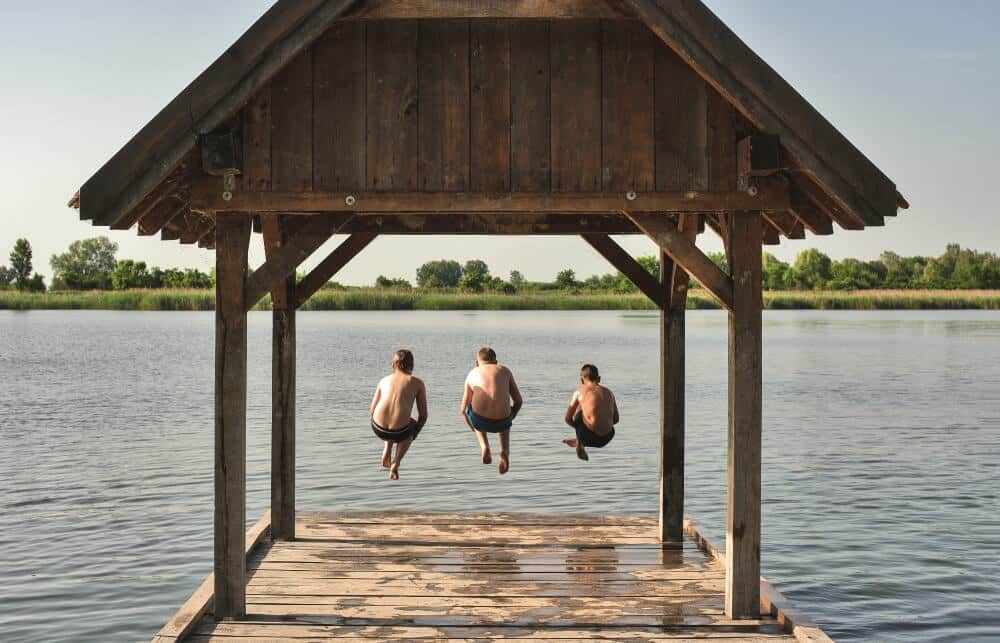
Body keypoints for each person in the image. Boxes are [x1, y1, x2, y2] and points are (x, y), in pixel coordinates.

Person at [461, 347, 523, 475]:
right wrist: (512, 416)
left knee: (469, 408)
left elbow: (462, 410)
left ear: (477, 362)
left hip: (480, 422)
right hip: (503, 422)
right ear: (496, 362)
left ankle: (484, 446)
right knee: (507, 411)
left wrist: (472, 427)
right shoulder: (505, 371)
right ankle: (505, 451)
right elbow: (519, 401)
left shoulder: (472, 373)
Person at [369, 349, 428, 480]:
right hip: (399, 431)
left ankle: (387, 447)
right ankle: (396, 462)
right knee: (411, 427)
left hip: (377, 427)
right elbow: (423, 416)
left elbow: (371, 410)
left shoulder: (383, 380)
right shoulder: (417, 383)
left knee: (392, 424)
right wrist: (414, 434)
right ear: (412, 366)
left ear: (392, 365)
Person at [562, 364, 619, 461]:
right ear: (599, 379)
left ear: (581, 380)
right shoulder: (610, 392)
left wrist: (579, 430)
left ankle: (580, 443)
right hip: (608, 437)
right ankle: (580, 440)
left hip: (587, 437)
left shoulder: (579, 392)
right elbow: (616, 419)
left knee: (580, 411)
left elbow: (567, 419)